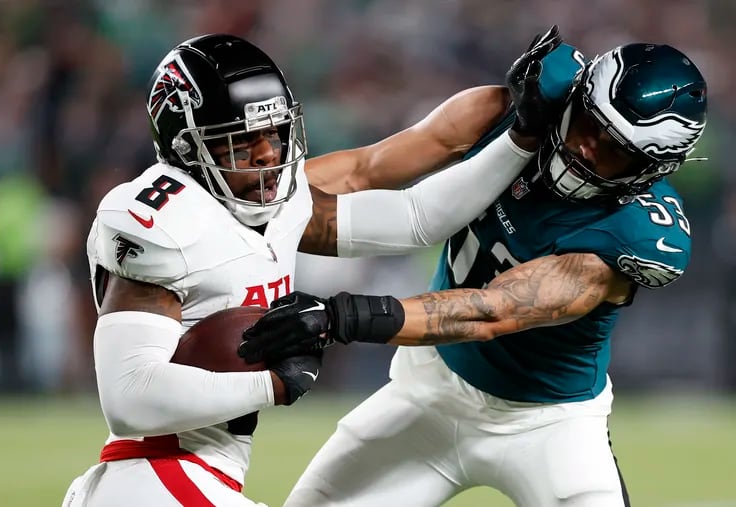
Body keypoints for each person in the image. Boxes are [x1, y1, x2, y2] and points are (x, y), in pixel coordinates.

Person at [63, 28, 560, 506]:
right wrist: (274, 383)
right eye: (243, 141)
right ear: (188, 148)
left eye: (275, 134)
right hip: (154, 473)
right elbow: (129, 401)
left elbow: (417, 217)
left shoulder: (275, 204)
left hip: (196, 476)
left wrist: (520, 135)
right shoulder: (162, 223)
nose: (267, 154)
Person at [239, 38, 708, 506]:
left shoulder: (636, 232)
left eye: (613, 150)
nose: (586, 148)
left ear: (649, 168)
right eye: (589, 124)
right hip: (429, 395)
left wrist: (339, 316)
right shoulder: (504, 114)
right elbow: (365, 169)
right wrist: (237, 197)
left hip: (548, 427)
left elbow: (490, 312)